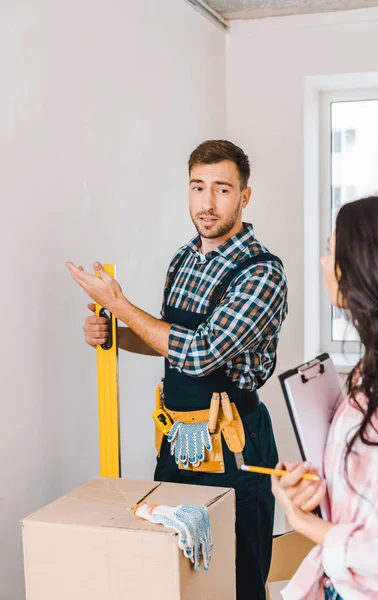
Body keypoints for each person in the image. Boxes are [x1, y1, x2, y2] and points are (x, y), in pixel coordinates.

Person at [67, 139, 288, 600]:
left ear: (244, 197)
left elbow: (202, 352)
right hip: (178, 444)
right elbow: (168, 342)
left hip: (235, 448)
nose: (207, 203)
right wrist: (116, 335)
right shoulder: (184, 259)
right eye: (197, 187)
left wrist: (121, 306)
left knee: (236, 575)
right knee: (176, 571)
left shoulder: (262, 273)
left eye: (222, 190)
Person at [271, 192, 378, 599]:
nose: (323, 262)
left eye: (330, 250)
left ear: (359, 270)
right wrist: (313, 490)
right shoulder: (373, 369)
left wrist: (306, 524)